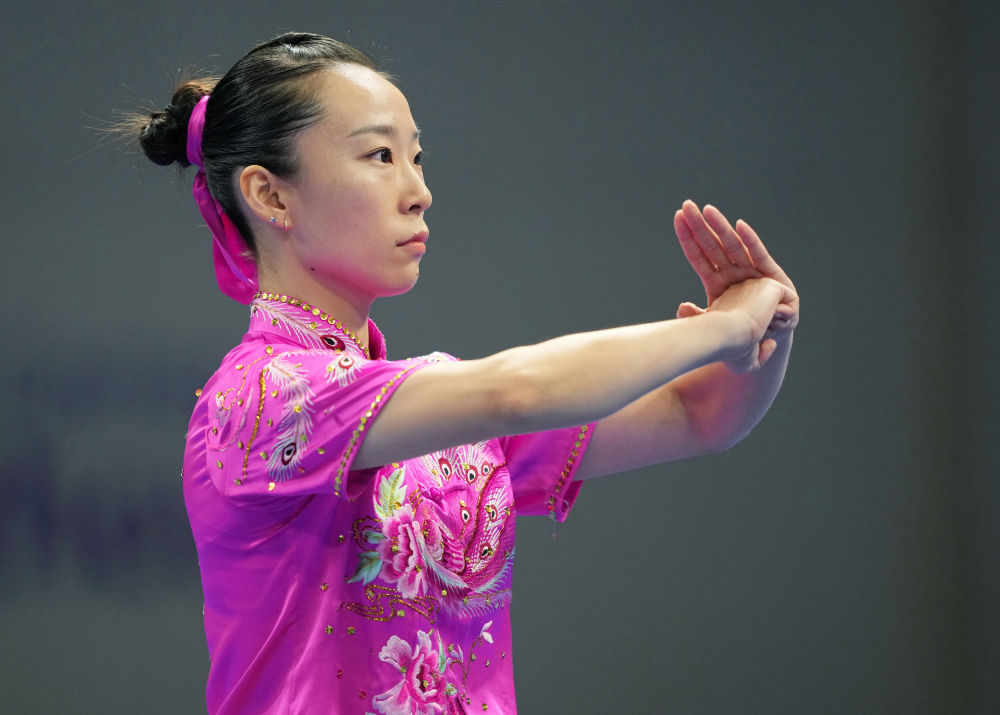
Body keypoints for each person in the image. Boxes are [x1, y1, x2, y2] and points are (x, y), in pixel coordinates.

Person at [131, 31, 798, 715]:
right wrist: (721, 329)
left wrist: (767, 327)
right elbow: (519, 392)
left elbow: (699, 417)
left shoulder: (440, 414)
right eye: (380, 156)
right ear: (270, 195)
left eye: (417, 157)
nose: (419, 192)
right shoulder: (261, 397)